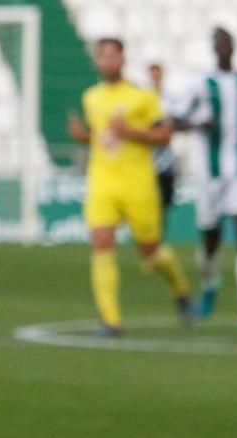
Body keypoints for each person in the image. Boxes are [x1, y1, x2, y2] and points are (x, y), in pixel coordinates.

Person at [67, 37, 192, 337]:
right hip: (102, 182)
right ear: (96, 61)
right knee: (101, 240)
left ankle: (180, 289)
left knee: (151, 253)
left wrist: (131, 131)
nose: (106, 61)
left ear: (122, 59)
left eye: (112, 56)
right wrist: (84, 137)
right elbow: (103, 139)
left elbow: (164, 136)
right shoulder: (91, 97)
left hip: (138, 184)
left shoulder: (142, 97)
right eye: (101, 56)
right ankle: (110, 320)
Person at [175, 27, 237, 329]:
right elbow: (175, 120)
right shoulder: (200, 84)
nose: (224, 47)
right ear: (213, 48)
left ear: (234, 46)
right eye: (218, 42)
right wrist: (197, 123)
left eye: (227, 42)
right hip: (210, 175)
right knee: (210, 240)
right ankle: (209, 284)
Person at [147, 63, 180, 239]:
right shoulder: (145, 98)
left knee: (165, 200)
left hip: (165, 154)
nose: (155, 78)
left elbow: (173, 122)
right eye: (152, 75)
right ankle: (151, 235)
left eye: (157, 74)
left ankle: (159, 234)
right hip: (149, 153)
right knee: (150, 197)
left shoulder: (169, 99)